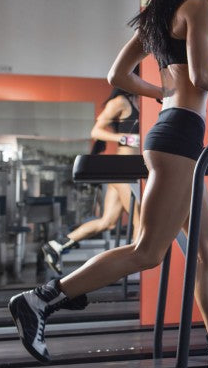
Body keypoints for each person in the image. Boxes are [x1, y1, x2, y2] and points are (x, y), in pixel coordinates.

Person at [9, 0, 208, 368]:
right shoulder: (200, 7)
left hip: (171, 132)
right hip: (180, 138)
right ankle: (40, 300)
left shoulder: (158, 14)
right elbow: (206, 76)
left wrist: (163, 92)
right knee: (148, 251)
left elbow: (117, 74)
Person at [40, 88, 142, 275]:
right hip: (122, 169)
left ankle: (57, 245)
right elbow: (96, 131)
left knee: (108, 222)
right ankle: (137, 272)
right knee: (140, 219)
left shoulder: (142, 101)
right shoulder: (120, 102)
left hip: (132, 169)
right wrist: (127, 138)